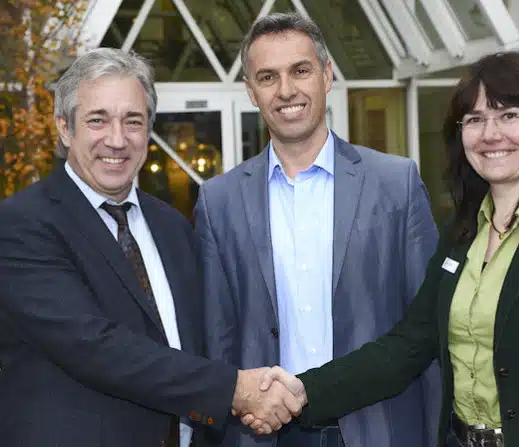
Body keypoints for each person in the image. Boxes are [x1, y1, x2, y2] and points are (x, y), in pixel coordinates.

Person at [249, 51, 519, 447]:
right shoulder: (462, 233)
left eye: (510, 115)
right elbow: (409, 344)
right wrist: (303, 391)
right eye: (475, 119)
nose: (491, 134)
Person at [0, 48, 302, 447]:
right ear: (64, 128)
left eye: (133, 121)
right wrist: (236, 390)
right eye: (97, 120)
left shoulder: (173, 225)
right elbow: (94, 346)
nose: (117, 139)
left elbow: (200, 342)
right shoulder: (22, 224)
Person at [194, 11, 440, 447]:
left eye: (300, 71)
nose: (286, 90)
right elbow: (218, 340)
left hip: (377, 429)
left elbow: (428, 329)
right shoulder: (219, 202)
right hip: (264, 435)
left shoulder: (396, 184)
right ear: (251, 91)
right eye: (267, 77)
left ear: (327, 75)